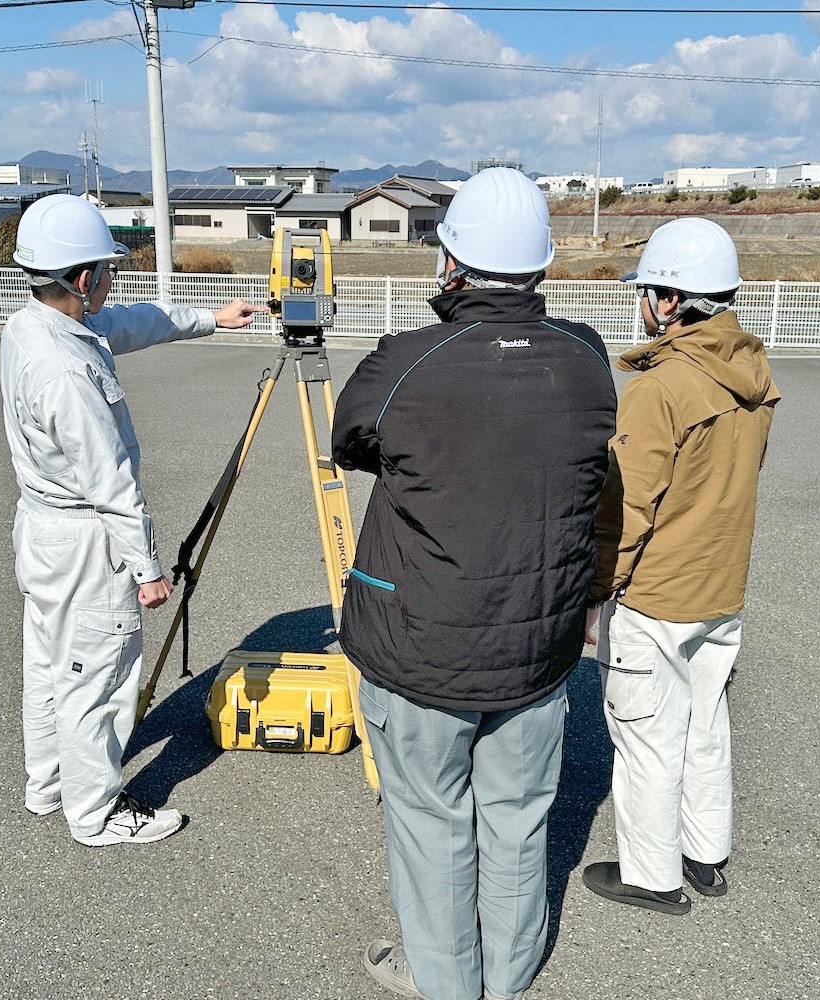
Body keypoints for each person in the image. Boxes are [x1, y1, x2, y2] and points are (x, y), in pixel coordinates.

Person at [332, 167, 617, 1000]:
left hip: (425, 645)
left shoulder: (408, 361)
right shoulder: (586, 357)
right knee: (520, 818)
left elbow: (350, 441)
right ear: (540, 264)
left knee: (431, 821)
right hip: (539, 644)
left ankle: (446, 977)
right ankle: (512, 968)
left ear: (450, 262)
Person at [0, 193, 264, 847]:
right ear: (84, 277)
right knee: (98, 674)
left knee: (52, 666)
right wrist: (147, 569)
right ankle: (95, 814)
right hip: (85, 541)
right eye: (109, 270)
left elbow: (128, 324)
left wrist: (209, 318)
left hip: (43, 531)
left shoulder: (36, 325)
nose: (114, 281)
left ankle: (49, 785)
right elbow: (111, 482)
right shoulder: (65, 372)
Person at [583, 217, 780, 914]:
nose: (641, 304)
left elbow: (624, 507)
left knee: (647, 734)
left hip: (657, 592)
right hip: (721, 586)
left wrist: (596, 592)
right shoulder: (754, 376)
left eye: (647, 291)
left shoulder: (662, 388)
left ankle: (651, 875)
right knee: (705, 725)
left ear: (669, 301)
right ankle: (705, 853)